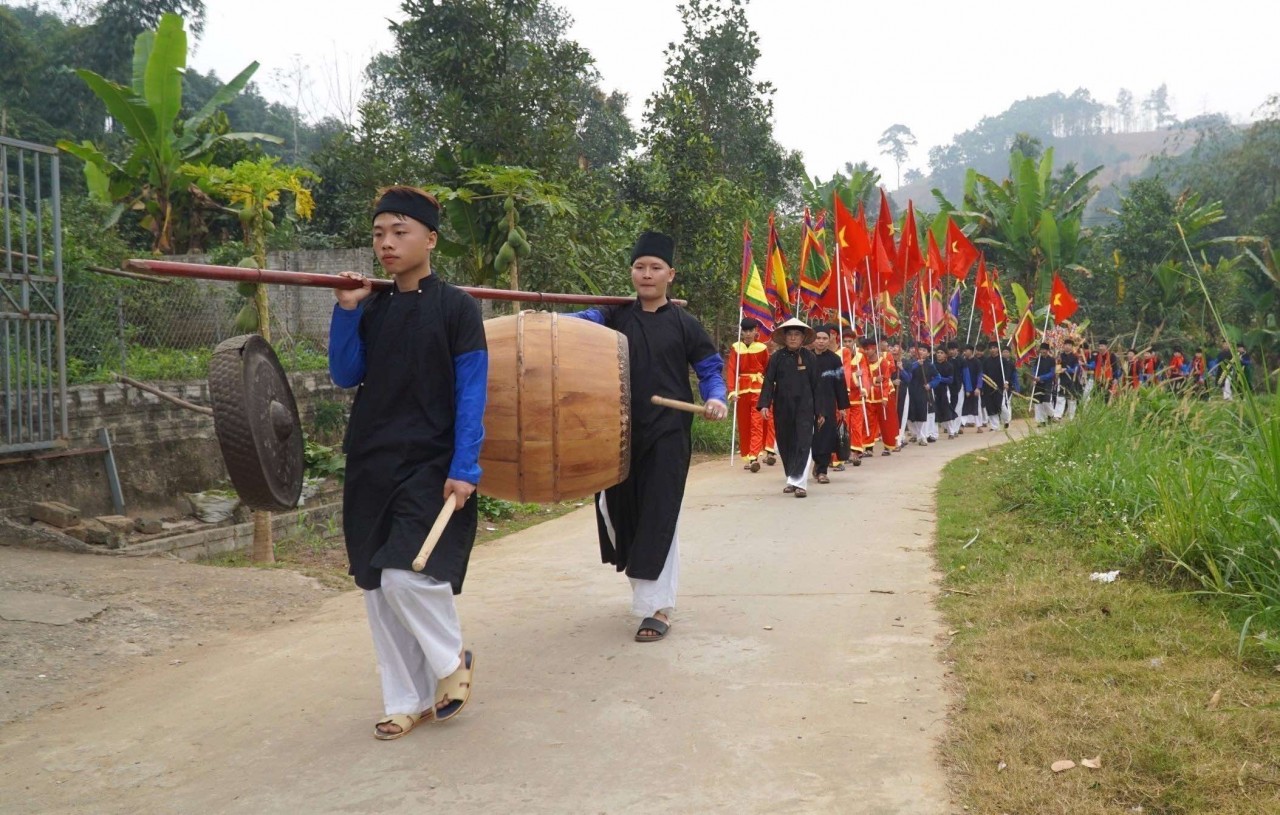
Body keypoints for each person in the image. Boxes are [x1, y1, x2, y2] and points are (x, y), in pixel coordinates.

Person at [328, 185, 484, 740]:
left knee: (405, 575)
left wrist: (466, 465)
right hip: (371, 459)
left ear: (430, 239)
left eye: (400, 232)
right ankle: (405, 699)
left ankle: (450, 663)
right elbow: (346, 374)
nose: (387, 244)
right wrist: (346, 311)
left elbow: (471, 390)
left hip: (433, 462)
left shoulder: (457, 308)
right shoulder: (370, 307)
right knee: (375, 585)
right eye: (378, 234)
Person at [568, 231, 727, 643]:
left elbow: (711, 369)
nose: (647, 274)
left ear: (670, 274)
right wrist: (542, 321)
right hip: (617, 432)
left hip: (669, 433)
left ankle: (657, 608)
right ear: (631, 272)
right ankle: (645, 593)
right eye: (640, 267)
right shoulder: (614, 316)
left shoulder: (685, 323)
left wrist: (716, 399)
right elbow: (572, 329)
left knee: (659, 513)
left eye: (655, 267)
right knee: (617, 510)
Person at [758, 318, 819, 497]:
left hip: (805, 407)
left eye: (797, 335)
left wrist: (820, 410)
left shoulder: (810, 357)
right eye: (790, 335)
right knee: (785, 443)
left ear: (803, 338)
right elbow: (768, 382)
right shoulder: (776, 357)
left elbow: (817, 385)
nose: (793, 338)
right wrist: (764, 404)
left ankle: (801, 484)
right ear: (784, 338)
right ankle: (791, 479)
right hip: (782, 407)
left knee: (803, 442)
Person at [725, 317, 770, 472]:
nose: (748, 334)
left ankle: (754, 457)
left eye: (751, 330)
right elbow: (731, 369)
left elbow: (768, 370)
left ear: (756, 331)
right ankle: (748, 454)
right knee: (744, 424)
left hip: (758, 389)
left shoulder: (762, 348)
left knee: (757, 423)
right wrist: (732, 390)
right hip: (742, 390)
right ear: (741, 332)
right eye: (745, 331)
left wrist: (768, 391)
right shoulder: (736, 348)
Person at [808, 326, 850, 484]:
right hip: (808, 403)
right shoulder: (806, 357)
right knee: (811, 437)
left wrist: (842, 407)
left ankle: (822, 470)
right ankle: (815, 461)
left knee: (825, 436)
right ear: (813, 339)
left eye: (824, 338)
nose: (821, 341)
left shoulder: (834, 359)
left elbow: (840, 383)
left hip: (827, 402)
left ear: (829, 340)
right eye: (818, 338)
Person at [861, 337, 900, 453]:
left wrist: (884, 397)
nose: (867, 352)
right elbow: (864, 378)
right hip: (869, 395)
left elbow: (885, 380)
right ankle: (869, 448)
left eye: (868, 349)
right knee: (869, 422)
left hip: (885, 394)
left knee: (887, 421)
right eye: (865, 350)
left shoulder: (883, 361)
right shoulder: (863, 362)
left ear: (874, 348)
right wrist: (874, 379)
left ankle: (889, 446)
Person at [900, 345, 935, 446]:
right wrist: (916, 364)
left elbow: (937, 377)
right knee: (911, 416)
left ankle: (922, 437)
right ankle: (917, 435)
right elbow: (907, 375)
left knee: (922, 415)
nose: (921, 352)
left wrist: (930, 384)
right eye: (920, 350)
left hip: (922, 392)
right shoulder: (910, 362)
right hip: (910, 392)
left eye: (924, 350)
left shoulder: (930, 365)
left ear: (928, 353)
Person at [933, 347, 960, 439]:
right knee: (934, 411)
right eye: (938, 352)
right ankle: (934, 434)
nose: (939, 354)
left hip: (944, 390)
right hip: (934, 391)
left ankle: (951, 432)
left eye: (941, 352)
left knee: (947, 411)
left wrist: (939, 378)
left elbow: (950, 380)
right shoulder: (933, 365)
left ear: (945, 355)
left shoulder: (949, 366)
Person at [1057, 338, 1083, 420]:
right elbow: (1057, 366)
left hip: (1072, 380)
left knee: (1071, 398)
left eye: (1069, 345)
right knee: (1060, 397)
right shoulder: (1060, 356)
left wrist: (1067, 369)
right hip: (1062, 379)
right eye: (1066, 345)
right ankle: (1058, 415)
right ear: (1063, 346)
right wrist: (1058, 370)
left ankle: (1071, 417)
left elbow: (1076, 369)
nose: (1067, 347)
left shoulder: (1075, 357)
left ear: (1072, 347)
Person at [1031, 343, 1057, 425]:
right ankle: (1041, 421)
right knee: (1038, 402)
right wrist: (1034, 377)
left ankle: (1052, 415)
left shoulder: (1052, 360)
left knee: (1046, 401)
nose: (1043, 351)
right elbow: (1034, 370)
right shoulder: (1037, 360)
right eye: (1041, 349)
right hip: (1038, 383)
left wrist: (1042, 377)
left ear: (1048, 350)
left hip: (1048, 383)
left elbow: (1052, 373)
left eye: (1044, 349)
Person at [960, 344, 984, 431]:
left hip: (975, 388)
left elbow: (980, 375)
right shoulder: (963, 362)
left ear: (971, 351)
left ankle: (979, 426)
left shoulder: (977, 362)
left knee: (976, 406)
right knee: (964, 406)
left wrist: (978, 387)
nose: (965, 352)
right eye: (964, 350)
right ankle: (961, 426)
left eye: (966, 350)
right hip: (965, 387)